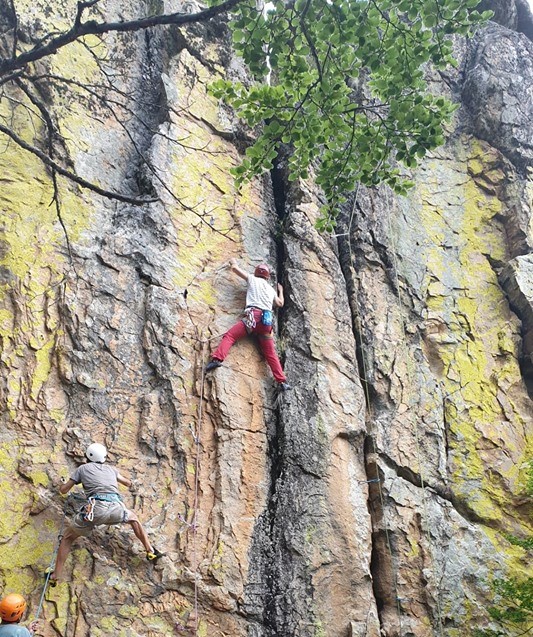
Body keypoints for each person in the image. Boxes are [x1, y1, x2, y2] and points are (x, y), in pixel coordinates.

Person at [48, 443, 163, 584]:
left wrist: (62, 483)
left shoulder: (82, 468)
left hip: (96, 509)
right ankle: (150, 550)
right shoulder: (111, 469)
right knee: (133, 518)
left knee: (67, 538)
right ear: (104, 457)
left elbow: (64, 490)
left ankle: (55, 575)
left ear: (88, 456)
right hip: (116, 507)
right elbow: (127, 483)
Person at [206, 259, 291, 390]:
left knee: (230, 336)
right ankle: (282, 382)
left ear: (256, 273)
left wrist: (233, 262)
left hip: (253, 318)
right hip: (266, 323)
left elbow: (235, 269)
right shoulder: (270, 289)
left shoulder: (252, 279)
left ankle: (217, 359)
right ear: (267, 276)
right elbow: (280, 303)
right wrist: (280, 291)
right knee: (270, 353)